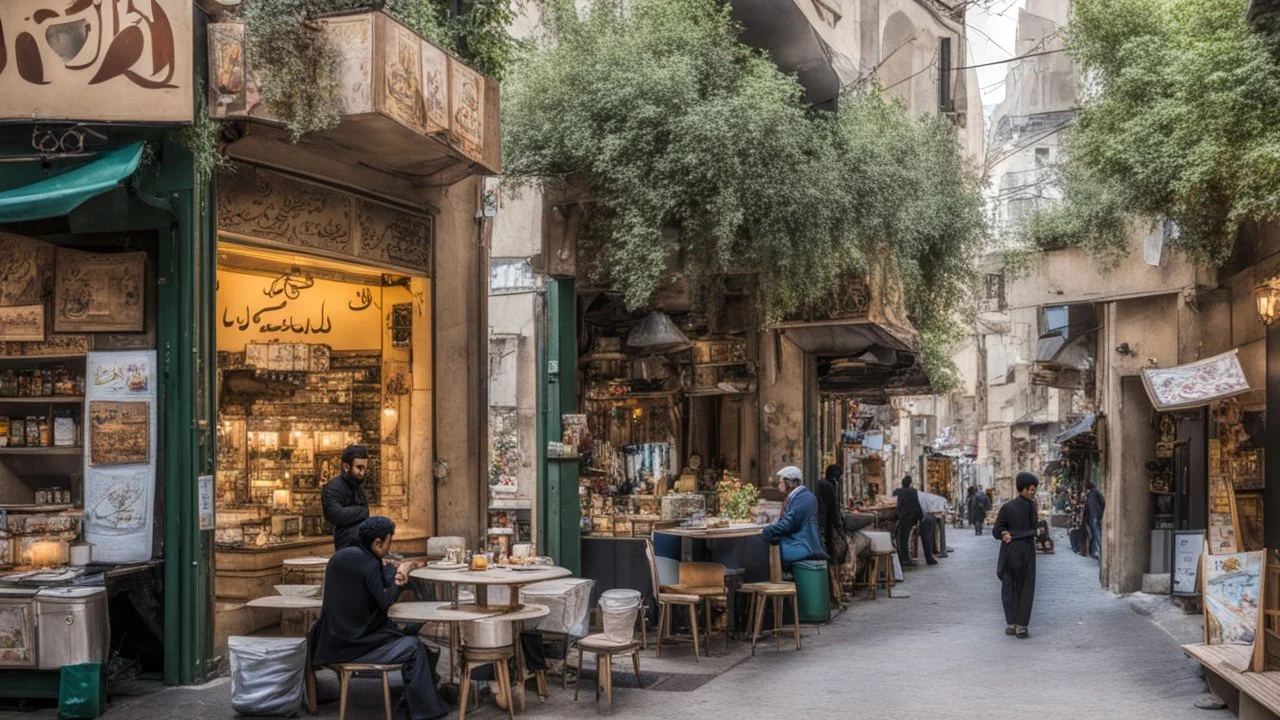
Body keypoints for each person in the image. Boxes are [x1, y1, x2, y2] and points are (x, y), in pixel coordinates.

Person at [310, 516, 446, 720]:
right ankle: (426, 712)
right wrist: (394, 575)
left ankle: (414, 699)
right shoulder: (368, 563)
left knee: (417, 643)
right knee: (414, 646)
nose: (390, 548)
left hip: (332, 641)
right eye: (389, 542)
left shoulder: (342, 556)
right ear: (377, 543)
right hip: (355, 646)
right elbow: (385, 600)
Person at [993, 472, 1039, 639]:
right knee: (1025, 589)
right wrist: (1005, 533)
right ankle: (1020, 626)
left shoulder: (1007, 507)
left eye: (1034, 490)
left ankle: (1012, 624)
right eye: (1031, 490)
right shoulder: (1031, 507)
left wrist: (1006, 534)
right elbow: (1034, 531)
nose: (1033, 493)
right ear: (1023, 490)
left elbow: (996, 529)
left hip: (1009, 553)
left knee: (1009, 588)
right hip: (1025, 553)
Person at [760, 466, 828, 566]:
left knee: (761, 549)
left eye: (780, 482)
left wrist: (766, 531)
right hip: (796, 542)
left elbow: (787, 524)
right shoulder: (797, 497)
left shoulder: (804, 498)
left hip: (802, 544)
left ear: (789, 482)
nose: (779, 486)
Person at [323, 444, 370, 550]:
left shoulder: (356, 484)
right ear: (346, 467)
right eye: (359, 468)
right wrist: (363, 511)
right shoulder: (333, 487)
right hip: (347, 548)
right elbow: (336, 515)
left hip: (360, 545)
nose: (363, 472)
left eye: (365, 468)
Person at [895, 475, 932, 567]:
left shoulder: (898, 492)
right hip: (911, 518)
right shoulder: (914, 492)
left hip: (903, 517)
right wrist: (920, 516)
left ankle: (905, 558)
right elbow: (917, 504)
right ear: (911, 483)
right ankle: (909, 558)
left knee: (903, 538)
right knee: (906, 538)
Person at [817, 465, 846, 561]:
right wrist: (840, 526)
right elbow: (833, 508)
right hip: (823, 523)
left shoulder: (822, 483)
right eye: (839, 476)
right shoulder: (828, 486)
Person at [917, 490, 947, 562]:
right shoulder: (940, 500)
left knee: (929, 536)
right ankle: (935, 552)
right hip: (930, 515)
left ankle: (936, 551)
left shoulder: (938, 500)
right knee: (930, 536)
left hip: (929, 515)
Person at [1084, 481, 1105, 560]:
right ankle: (1097, 552)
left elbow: (1102, 502)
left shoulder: (1092, 494)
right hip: (1096, 516)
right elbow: (1103, 502)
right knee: (1096, 535)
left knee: (1097, 535)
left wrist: (1100, 513)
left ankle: (1100, 553)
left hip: (1094, 517)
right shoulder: (1094, 493)